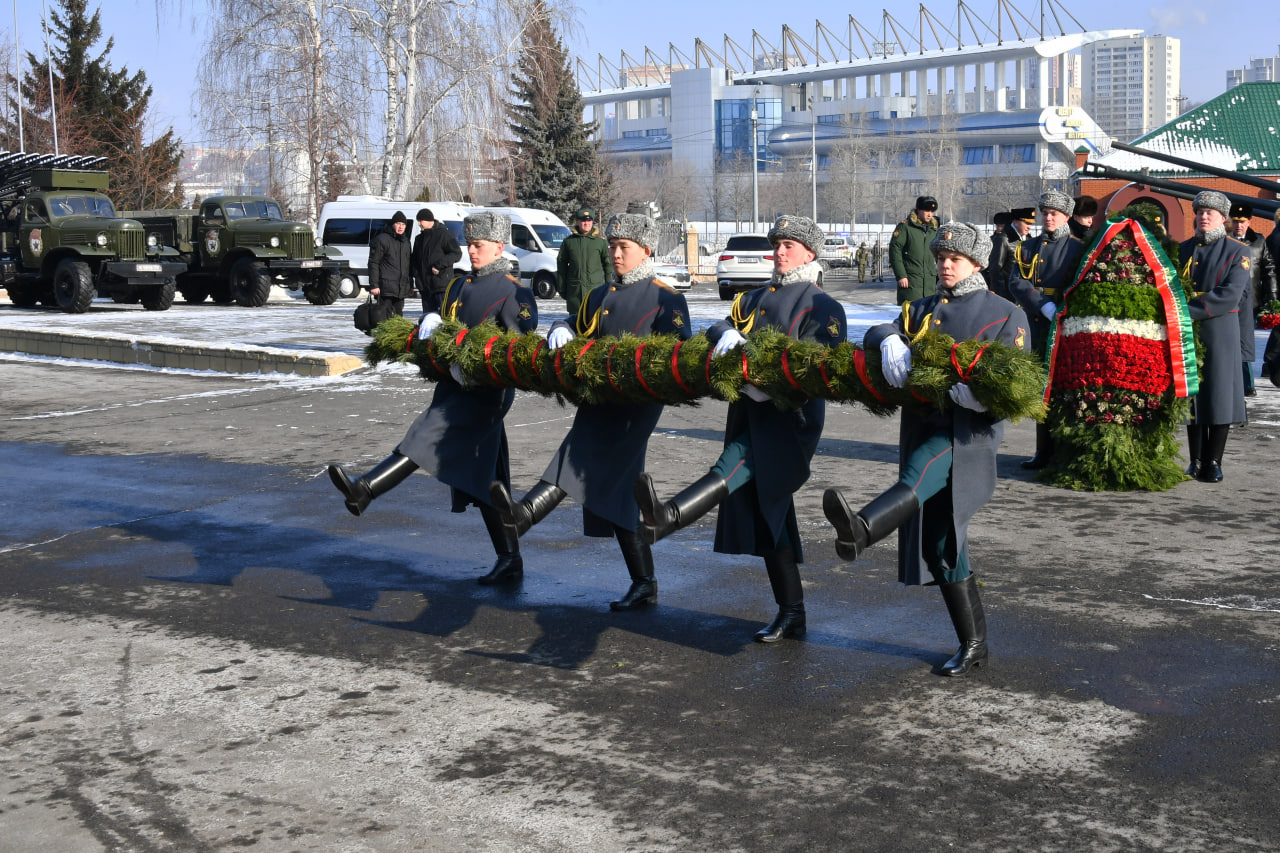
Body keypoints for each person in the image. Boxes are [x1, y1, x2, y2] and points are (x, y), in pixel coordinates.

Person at [823, 222, 1030, 677]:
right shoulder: (921, 309)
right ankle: (974, 644)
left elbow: (1019, 384)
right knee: (943, 546)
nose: (944, 265)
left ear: (976, 262)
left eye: (954, 258)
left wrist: (985, 401)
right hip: (923, 424)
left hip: (965, 436)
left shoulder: (1004, 313)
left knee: (917, 476)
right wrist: (890, 339)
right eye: (939, 258)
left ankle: (861, 529)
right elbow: (879, 328)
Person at [634, 215, 847, 643]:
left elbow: (817, 365)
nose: (780, 251)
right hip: (749, 412)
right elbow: (720, 324)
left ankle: (668, 516)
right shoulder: (754, 299)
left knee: (733, 465)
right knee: (772, 518)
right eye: (778, 244)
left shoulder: (823, 305)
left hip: (789, 419)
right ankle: (792, 611)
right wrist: (725, 336)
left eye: (789, 245)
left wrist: (769, 382)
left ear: (810, 253)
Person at [488, 213, 692, 610]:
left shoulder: (665, 297)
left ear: (645, 251)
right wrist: (559, 328)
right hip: (600, 398)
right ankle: (644, 582)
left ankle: (525, 514)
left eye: (624, 248)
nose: (615, 254)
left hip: (637, 405)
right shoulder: (600, 295)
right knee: (604, 478)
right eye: (613, 246)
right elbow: (577, 325)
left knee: (589, 459)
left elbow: (680, 353)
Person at [327, 212, 539, 582]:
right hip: (453, 383)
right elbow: (445, 324)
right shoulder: (458, 287)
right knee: (486, 474)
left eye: (479, 246)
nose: (471, 252)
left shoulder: (513, 290)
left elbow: (517, 347)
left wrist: (475, 361)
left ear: (498, 247)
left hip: (484, 392)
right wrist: (431, 326)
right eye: (469, 245)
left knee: (425, 433)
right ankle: (510, 558)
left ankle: (365, 490)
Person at [1007, 189, 1085, 469]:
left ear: (1066, 216)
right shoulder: (1028, 247)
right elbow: (1016, 282)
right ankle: (1042, 450)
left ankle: (1063, 452)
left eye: (1054, 214)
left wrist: (1060, 308)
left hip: (1063, 325)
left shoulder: (1077, 248)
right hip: (1036, 322)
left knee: (1063, 388)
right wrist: (1041, 305)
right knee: (1040, 388)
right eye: (1045, 214)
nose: (1048, 218)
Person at [1180, 191, 1251, 482]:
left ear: (1223, 218)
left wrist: (1184, 311)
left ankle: (1214, 461)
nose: (1203, 216)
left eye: (1210, 212)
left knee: (1220, 396)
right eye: (1200, 212)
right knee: (1193, 397)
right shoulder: (1183, 249)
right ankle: (1195, 460)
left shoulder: (1237, 251)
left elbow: (1229, 295)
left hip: (1219, 329)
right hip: (1188, 332)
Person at [1228, 203, 1276, 398]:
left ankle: (1248, 384)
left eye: (1243, 222)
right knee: (1231, 342)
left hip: (1252, 300)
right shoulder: (1225, 241)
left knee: (1246, 343)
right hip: (1230, 299)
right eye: (1236, 222)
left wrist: (1272, 296)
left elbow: (1269, 269)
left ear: (1249, 222)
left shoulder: (1259, 242)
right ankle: (1234, 380)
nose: (1239, 225)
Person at [556, 207, 613, 318]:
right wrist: (562, 287)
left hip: (595, 290)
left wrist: (608, 285)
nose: (586, 223)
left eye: (589, 220)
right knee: (575, 322)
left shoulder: (600, 242)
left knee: (594, 323)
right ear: (577, 222)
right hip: (575, 291)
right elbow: (561, 265)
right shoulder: (569, 242)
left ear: (592, 222)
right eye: (583, 220)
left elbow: (608, 265)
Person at [411, 208, 463, 314]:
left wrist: (439, 265)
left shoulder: (444, 235)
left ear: (429, 220)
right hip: (425, 287)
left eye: (421, 221)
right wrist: (417, 278)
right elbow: (414, 260)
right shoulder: (419, 239)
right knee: (428, 319)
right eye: (418, 221)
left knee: (444, 316)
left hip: (441, 285)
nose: (419, 224)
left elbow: (456, 253)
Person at [889, 195, 939, 304]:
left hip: (930, 283)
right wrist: (901, 275)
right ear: (919, 210)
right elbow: (895, 250)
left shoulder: (934, 229)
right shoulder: (906, 227)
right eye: (926, 210)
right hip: (911, 281)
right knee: (911, 316)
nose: (930, 214)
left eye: (932, 211)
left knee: (928, 317)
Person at [368, 210, 413, 317]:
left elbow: (408, 265)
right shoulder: (382, 239)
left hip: (400, 288)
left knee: (398, 318)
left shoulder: (406, 242)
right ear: (392, 224)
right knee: (384, 317)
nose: (400, 227)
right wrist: (374, 285)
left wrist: (410, 284)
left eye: (403, 224)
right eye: (398, 224)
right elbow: (373, 263)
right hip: (385, 289)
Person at [983, 211, 1012, 298]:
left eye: (1001, 226)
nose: (999, 229)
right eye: (997, 226)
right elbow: (995, 267)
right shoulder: (999, 240)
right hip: (1000, 286)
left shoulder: (995, 239)